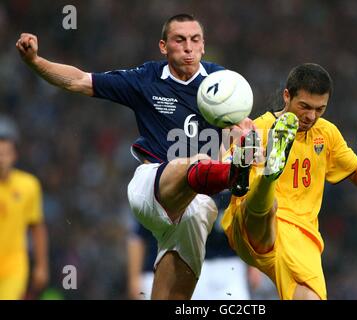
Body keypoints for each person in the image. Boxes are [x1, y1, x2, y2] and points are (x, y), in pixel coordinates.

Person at [16, 14, 253, 299]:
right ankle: (230, 174)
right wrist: (35, 62)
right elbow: (79, 80)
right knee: (198, 161)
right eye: (180, 40)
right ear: (163, 46)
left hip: (196, 205)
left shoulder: (221, 82)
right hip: (152, 187)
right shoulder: (145, 78)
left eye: (195, 40)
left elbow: (241, 125)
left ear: (203, 46)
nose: (189, 47)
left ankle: (231, 173)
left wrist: (245, 137)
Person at [221, 63, 357, 300]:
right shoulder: (259, 128)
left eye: (320, 109)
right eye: (305, 106)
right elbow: (224, 172)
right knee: (269, 207)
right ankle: (269, 176)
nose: (311, 116)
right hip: (252, 226)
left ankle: (269, 173)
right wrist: (240, 157)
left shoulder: (327, 134)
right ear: (287, 95)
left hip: (302, 236)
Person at [0, 116, 49, 299]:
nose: (1, 158)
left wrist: (41, 266)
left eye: (5, 153)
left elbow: (37, 227)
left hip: (14, 266)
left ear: (14, 155)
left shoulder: (29, 186)